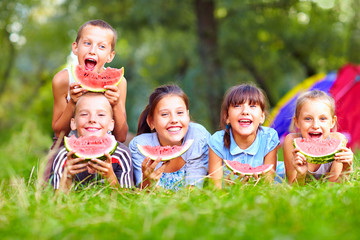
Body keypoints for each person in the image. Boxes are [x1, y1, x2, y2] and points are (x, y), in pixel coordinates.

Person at [51, 19, 128, 143]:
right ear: (75, 48)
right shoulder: (63, 80)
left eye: (101, 46)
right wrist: (72, 103)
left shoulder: (119, 83)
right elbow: (59, 133)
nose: (92, 50)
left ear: (110, 56)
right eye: (87, 43)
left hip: (104, 146)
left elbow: (121, 137)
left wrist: (116, 104)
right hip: (69, 145)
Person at [129, 85, 210, 191]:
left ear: (188, 116)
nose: (174, 119)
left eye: (180, 113)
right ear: (151, 121)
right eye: (165, 114)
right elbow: (146, 193)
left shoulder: (197, 136)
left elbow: (194, 190)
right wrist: (147, 182)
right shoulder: (139, 145)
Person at [50, 92, 134, 192]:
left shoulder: (121, 154)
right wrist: (66, 178)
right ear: (73, 123)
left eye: (101, 114)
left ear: (111, 124)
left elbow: (126, 199)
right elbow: (55, 201)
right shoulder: (63, 155)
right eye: (84, 114)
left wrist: (110, 177)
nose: (92, 119)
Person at [208, 84, 282, 188]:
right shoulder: (217, 141)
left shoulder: (269, 137)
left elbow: (268, 185)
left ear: (262, 117)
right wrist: (228, 190)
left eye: (252, 106)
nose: (245, 112)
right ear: (227, 117)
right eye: (237, 106)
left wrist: (259, 185)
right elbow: (215, 188)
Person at [283, 90, 353, 185]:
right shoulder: (291, 141)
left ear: (332, 122)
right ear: (297, 122)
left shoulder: (339, 141)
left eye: (322, 119)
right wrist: (300, 176)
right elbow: (293, 187)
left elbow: (333, 186)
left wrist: (346, 169)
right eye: (308, 118)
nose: (315, 125)